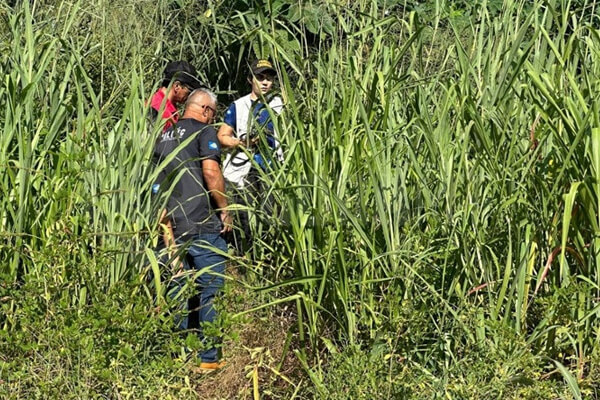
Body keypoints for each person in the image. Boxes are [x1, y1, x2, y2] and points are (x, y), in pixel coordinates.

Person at [153, 88, 232, 372]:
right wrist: (225, 208)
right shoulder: (204, 132)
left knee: (177, 290)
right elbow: (211, 173)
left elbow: (156, 188)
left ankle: (177, 357)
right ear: (207, 111)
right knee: (211, 291)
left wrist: (165, 231)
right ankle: (209, 358)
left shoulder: (162, 137)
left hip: (172, 229)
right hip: (202, 225)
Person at [217, 58, 284, 253]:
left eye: (269, 78)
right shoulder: (238, 106)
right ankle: (246, 254)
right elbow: (222, 136)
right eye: (260, 77)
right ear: (250, 79)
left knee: (271, 213)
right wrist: (243, 143)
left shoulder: (278, 104)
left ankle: (268, 255)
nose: (265, 82)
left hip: (272, 167)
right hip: (247, 167)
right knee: (246, 215)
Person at [148, 60, 202, 131]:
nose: (190, 95)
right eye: (189, 91)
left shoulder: (169, 106)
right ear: (177, 86)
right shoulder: (157, 109)